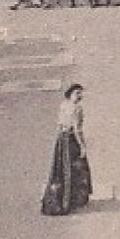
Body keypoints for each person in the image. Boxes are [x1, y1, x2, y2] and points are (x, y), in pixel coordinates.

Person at [41, 84, 93, 216]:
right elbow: (77, 129)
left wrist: (58, 141)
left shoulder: (63, 105)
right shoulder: (77, 109)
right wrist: (82, 146)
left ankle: (59, 198)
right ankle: (72, 199)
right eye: (77, 93)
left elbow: (59, 124)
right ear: (70, 94)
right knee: (75, 169)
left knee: (60, 169)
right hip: (71, 140)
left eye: (81, 93)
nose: (80, 96)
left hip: (62, 140)